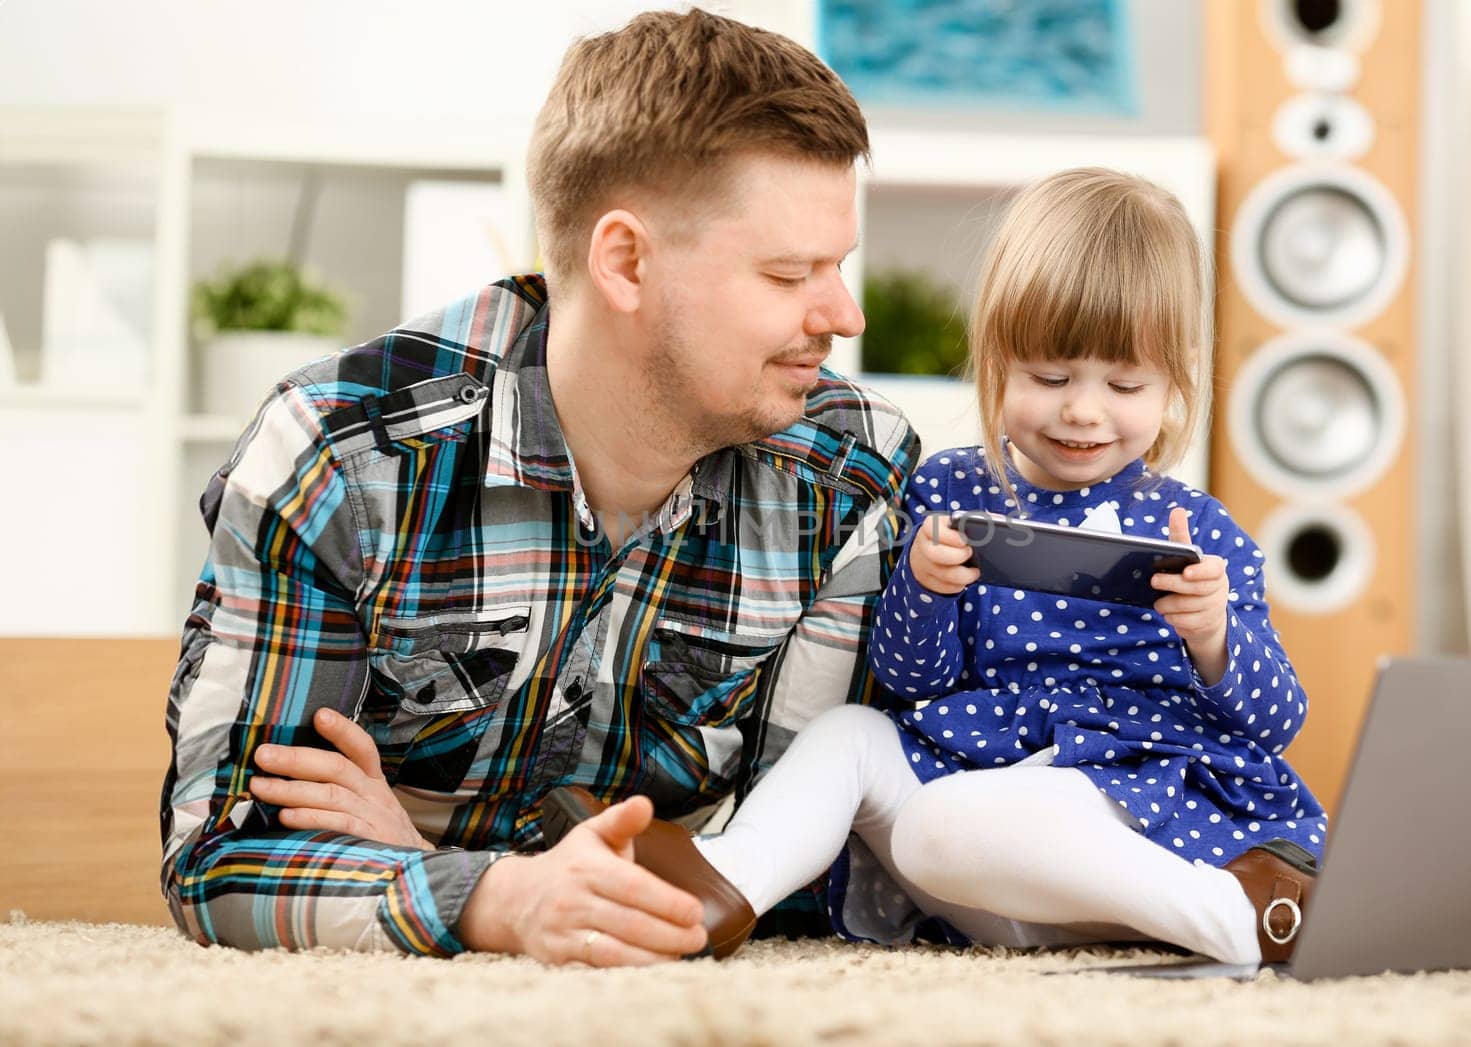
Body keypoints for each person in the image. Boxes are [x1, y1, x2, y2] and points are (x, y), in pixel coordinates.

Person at [158, 7, 919, 965]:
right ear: (625, 261)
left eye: (838, 266)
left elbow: (792, 872)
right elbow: (221, 858)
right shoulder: (343, 458)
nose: (842, 313)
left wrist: (427, 858)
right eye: (788, 273)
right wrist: (499, 898)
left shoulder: (850, 477)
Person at [546, 167, 1328, 965]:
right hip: (980, 822)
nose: (1083, 410)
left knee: (942, 825)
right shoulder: (954, 489)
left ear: (1173, 384)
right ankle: (719, 887)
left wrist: (1214, 637)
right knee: (854, 735)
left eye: (1125, 384)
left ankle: (1235, 918)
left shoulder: (1196, 528)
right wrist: (923, 585)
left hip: (1127, 804)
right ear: (996, 362)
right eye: (1049, 377)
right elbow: (911, 679)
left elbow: (1278, 721)